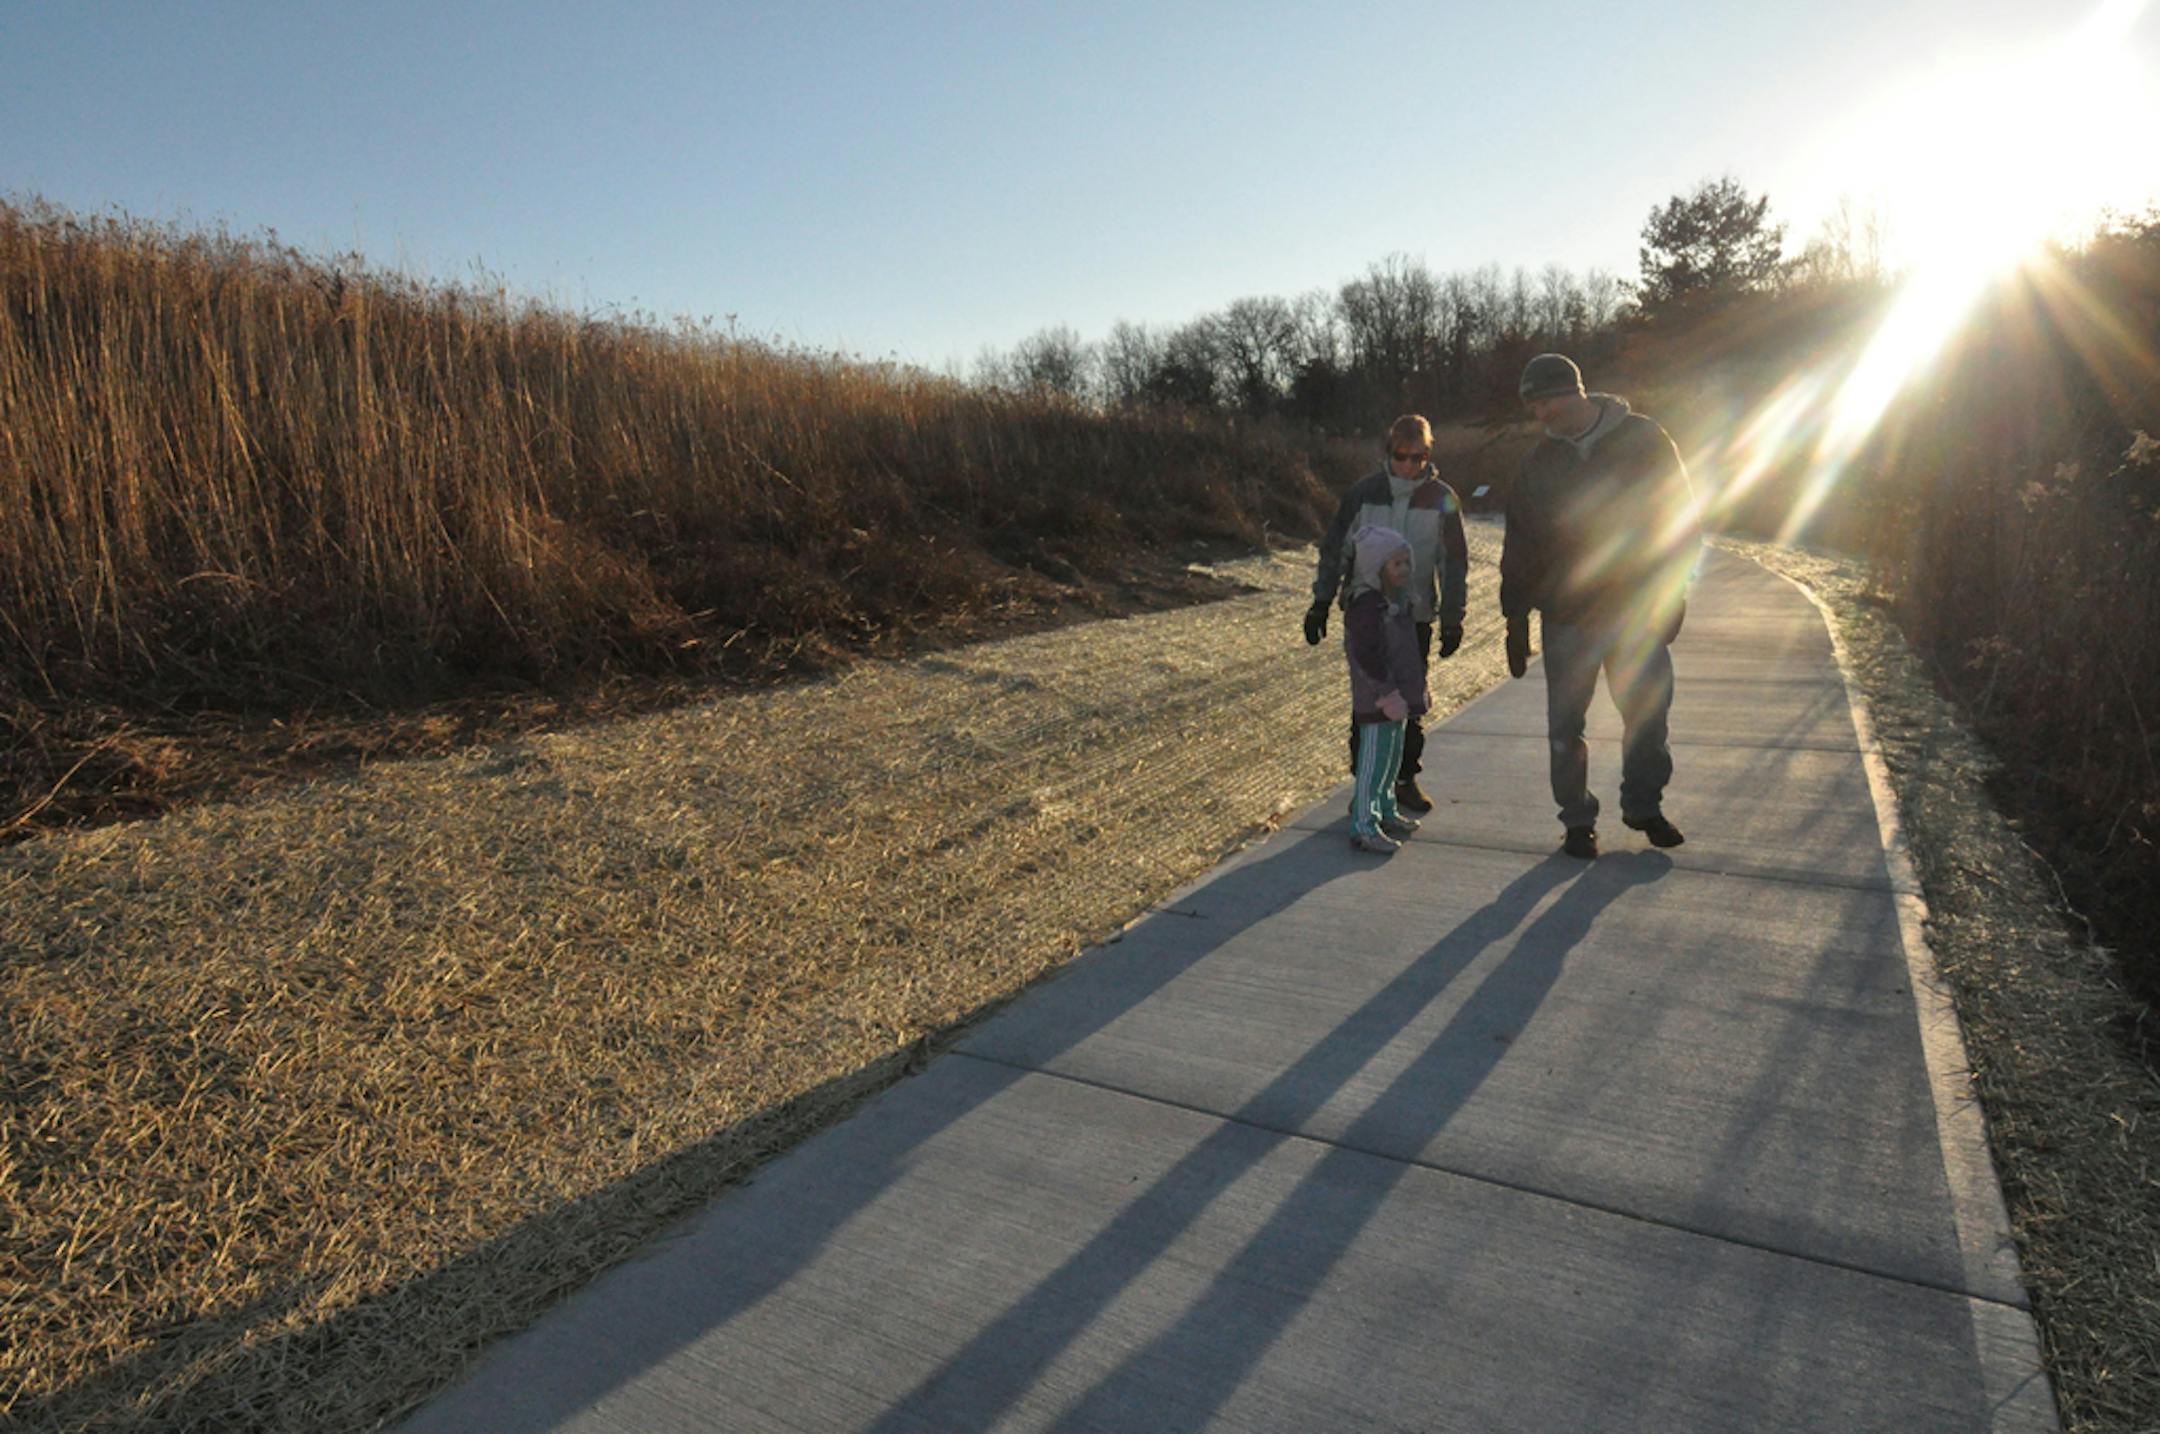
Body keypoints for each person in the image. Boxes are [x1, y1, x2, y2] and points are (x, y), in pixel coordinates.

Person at [1500, 353, 1699, 860]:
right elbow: (1520, 542)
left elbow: (1679, 515)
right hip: (1567, 615)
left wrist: (1674, 592)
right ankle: (1577, 820)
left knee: (1648, 716)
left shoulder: (1644, 439)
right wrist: (1515, 614)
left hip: (1636, 610)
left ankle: (1643, 806)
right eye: (1532, 407)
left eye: (1546, 402)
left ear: (1574, 391)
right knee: (1565, 727)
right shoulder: (1539, 464)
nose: (1540, 414)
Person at [1304, 414, 1468, 814]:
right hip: (1367, 616)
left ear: (1429, 454)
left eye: (1418, 457)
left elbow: (1453, 562)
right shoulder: (1364, 494)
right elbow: (1336, 550)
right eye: (1402, 456)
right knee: (1370, 701)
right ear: (1389, 452)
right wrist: (1321, 602)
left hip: (1414, 617)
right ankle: (1365, 784)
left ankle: (1404, 778)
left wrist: (1452, 618)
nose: (1409, 465)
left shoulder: (1442, 497)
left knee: (1409, 699)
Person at [1342, 525, 1429, 853]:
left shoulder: (1396, 602)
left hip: (1399, 698)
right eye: (1396, 563)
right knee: (1373, 764)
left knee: (1391, 760)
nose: (1404, 569)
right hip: (1379, 700)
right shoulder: (1367, 607)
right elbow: (1366, 656)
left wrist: (1415, 688)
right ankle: (1364, 824)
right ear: (1375, 567)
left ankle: (1385, 810)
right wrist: (1387, 692)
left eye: (1407, 562)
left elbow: (1407, 653)